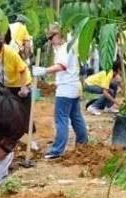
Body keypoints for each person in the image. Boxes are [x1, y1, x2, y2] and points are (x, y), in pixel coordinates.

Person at [32, 24, 88, 160]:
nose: (50, 41)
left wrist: (43, 70)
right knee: (76, 117)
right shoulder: (71, 46)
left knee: (61, 119)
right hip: (74, 86)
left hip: (65, 88)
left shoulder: (64, 49)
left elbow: (61, 66)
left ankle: (57, 150)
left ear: (58, 35)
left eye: (51, 37)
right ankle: (83, 144)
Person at [0, 34, 38, 151]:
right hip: (5, 85)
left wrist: (23, 88)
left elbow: (22, 70)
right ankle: (10, 139)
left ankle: (31, 140)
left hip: (20, 83)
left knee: (25, 113)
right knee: (8, 113)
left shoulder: (9, 52)